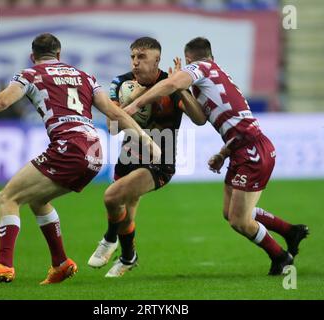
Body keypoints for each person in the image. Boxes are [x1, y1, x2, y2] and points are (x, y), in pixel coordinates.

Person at [0, 33, 160, 284]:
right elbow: (113, 112)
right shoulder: (84, 76)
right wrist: (147, 140)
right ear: (59, 55)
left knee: (7, 197)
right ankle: (61, 263)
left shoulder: (29, 74)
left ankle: (4, 265)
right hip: (94, 150)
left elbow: (1, 102)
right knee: (38, 200)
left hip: (69, 146)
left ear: (33, 56)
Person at [124, 37, 309, 275]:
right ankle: (289, 231)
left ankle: (281, 257)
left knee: (239, 221)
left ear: (189, 59)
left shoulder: (199, 67)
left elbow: (168, 86)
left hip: (251, 151)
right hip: (242, 148)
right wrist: (223, 153)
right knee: (230, 212)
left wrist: (135, 104)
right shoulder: (215, 75)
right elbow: (201, 119)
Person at [87, 37, 201, 277]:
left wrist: (180, 87)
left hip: (159, 161)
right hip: (127, 158)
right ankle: (129, 258)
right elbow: (112, 128)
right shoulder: (121, 82)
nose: (135, 62)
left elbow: (199, 119)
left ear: (157, 60)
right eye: (133, 57)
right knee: (126, 217)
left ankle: (108, 240)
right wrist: (131, 98)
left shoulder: (170, 84)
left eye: (142, 57)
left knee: (111, 197)